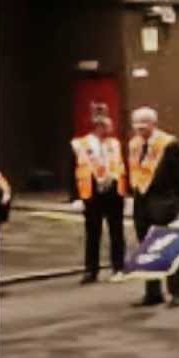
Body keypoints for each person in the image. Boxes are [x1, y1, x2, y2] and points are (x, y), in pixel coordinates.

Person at [127, 108, 179, 307]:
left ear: (153, 123)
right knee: (147, 247)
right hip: (142, 202)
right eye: (136, 123)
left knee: (169, 247)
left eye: (144, 123)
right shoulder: (134, 144)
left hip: (164, 201)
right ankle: (153, 292)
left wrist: (173, 200)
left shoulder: (169, 144)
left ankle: (178, 292)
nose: (139, 127)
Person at [68, 116, 128, 285]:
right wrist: (75, 197)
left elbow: (122, 166)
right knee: (93, 233)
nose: (111, 129)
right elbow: (72, 170)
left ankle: (119, 267)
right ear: (99, 127)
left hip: (114, 193)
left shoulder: (114, 144)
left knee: (116, 232)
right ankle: (90, 270)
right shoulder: (80, 144)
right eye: (108, 126)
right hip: (92, 193)